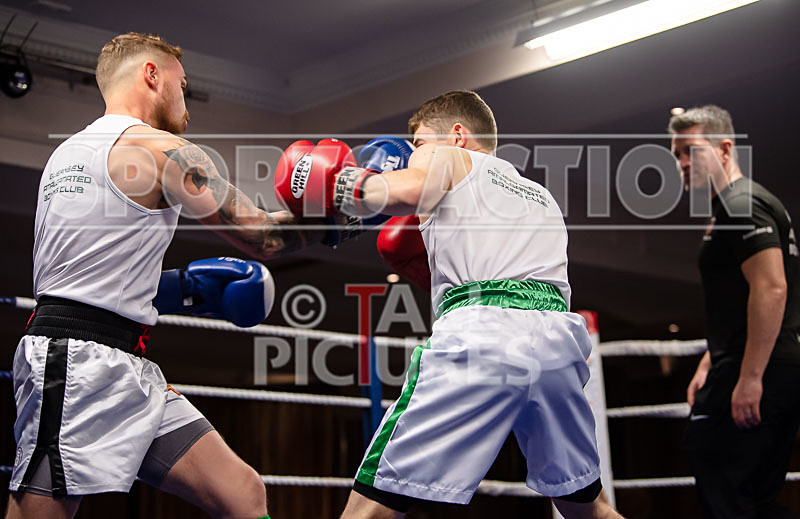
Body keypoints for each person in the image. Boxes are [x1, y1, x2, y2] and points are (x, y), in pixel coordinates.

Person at [4, 32, 329, 519]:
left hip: (123, 363)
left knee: (243, 493)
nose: (187, 105)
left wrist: (184, 291)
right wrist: (338, 218)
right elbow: (259, 234)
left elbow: (86, 275)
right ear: (152, 75)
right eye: (183, 85)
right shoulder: (161, 150)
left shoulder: (67, 155)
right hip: (76, 365)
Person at [275, 90, 624, 518]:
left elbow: (413, 186)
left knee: (371, 508)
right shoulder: (539, 196)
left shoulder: (450, 158)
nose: (412, 155)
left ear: (457, 135)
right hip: (559, 345)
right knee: (590, 509)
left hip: (483, 337)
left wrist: (341, 185)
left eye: (419, 144)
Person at [671, 105, 800, 518]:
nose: (682, 163)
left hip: (760, 366)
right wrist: (711, 360)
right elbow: (745, 295)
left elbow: (772, 287)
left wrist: (749, 377)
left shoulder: (740, 202)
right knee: (756, 497)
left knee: (715, 469)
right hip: (770, 363)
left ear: (724, 148)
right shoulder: (747, 202)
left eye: (690, 150)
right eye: (677, 154)